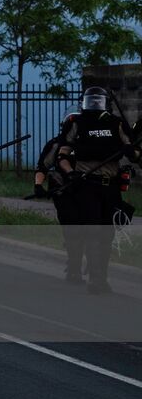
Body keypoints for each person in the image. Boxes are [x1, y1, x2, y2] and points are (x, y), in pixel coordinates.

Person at [55, 86, 138, 294]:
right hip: (86, 184)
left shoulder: (116, 124)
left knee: (107, 234)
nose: (93, 105)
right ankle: (95, 278)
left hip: (109, 186)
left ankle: (102, 275)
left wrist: (132, 152)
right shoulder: (76, 124)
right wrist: (69, 173)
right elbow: (62, 154)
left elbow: (135, 151)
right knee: (92, 232)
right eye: (90, 101)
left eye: (97, 101)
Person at [33, 117, 81, 283]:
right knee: (72, 229)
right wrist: (39, 185)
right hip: (64, 193)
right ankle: (74, 267)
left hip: (87, 192)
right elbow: (43, 167)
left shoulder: (88, 143)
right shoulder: (56, 144)